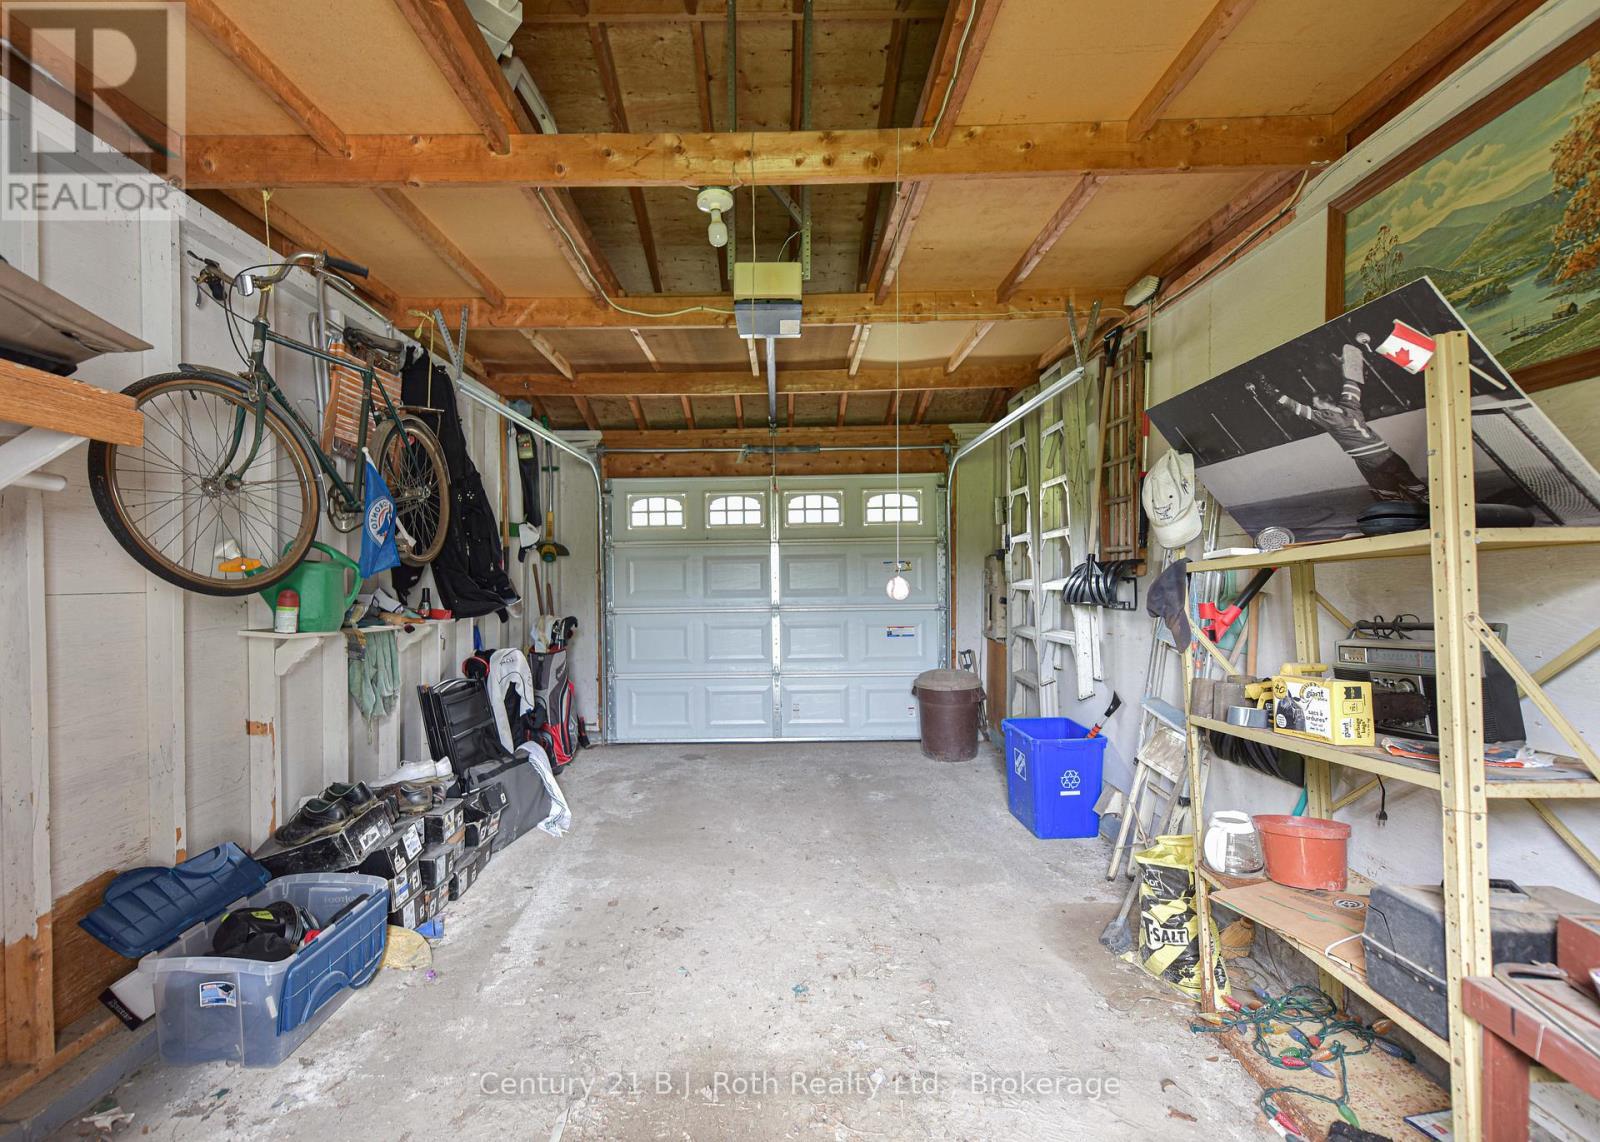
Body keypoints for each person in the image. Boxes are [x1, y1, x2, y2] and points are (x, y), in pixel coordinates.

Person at [1246, 344, 1427, 503]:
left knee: (1387, 494)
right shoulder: (1351, 405)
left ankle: (1395, 503)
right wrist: (1343, 366)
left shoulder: (1326, 417)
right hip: (1387, 454)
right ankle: (1421, 497)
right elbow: (1352, 382)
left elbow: (1293, 405)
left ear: (1321, 404)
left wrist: (1266, 387)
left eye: (1315, 403)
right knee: (1414, 485)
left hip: (1370, 460)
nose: (1313, 405)